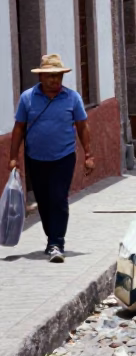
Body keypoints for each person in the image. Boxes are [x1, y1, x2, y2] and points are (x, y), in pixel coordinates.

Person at [8, 54, 94, 263]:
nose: (55, 80)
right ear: (41, 76)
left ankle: (57, 242)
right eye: (50, 76)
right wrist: (13, 158)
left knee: (58, 198)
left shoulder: (72, 98)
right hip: (35, 158)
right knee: (44, 201)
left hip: (63, 157)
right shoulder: (27, 98)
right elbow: (19, 128)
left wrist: (89, 155)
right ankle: (51, 238)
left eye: (58, 76)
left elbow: (82, 126)